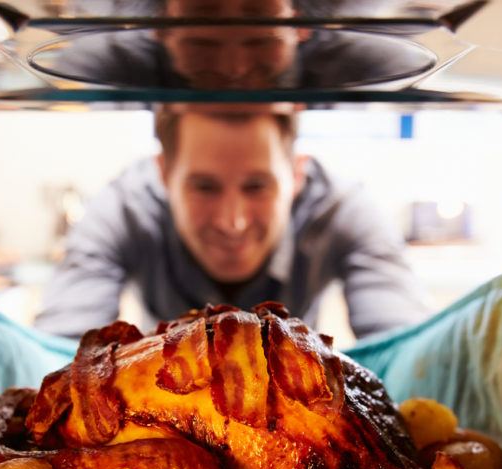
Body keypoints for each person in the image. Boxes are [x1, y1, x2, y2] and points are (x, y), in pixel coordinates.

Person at [34, 103, 431, 340]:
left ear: (296, 175)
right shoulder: (122, 210)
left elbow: (403, 344)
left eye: (257, 186)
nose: (233, 221)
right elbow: (63, 349)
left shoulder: (341, 210)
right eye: (204, 187)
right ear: (163, 175)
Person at [40, 0, 433, 90]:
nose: (233, 68)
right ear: (157, 29)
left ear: (301, 26)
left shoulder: (369, 65)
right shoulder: (100, 65)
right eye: (201, 42)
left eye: (261, 39)